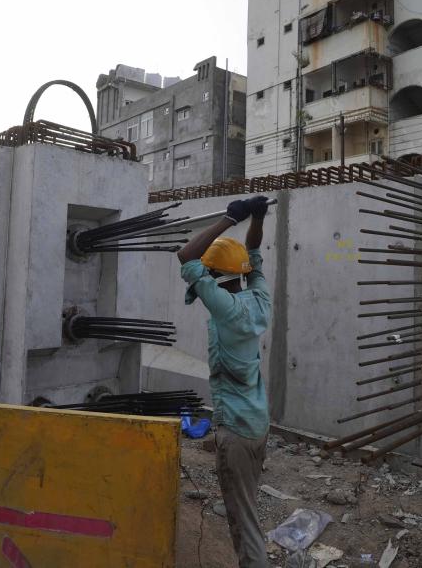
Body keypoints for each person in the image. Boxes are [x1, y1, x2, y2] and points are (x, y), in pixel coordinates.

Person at [177, 195, 271, 568]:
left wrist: (230, 218)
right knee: (248, 507)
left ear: (216, 277)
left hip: (235, 429)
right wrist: (258, 217)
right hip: (258, 425)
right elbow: (254, 252)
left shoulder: (227, 309)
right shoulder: (258, 298)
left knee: (243, 523)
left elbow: (186, 258)